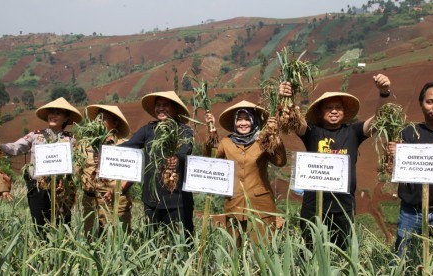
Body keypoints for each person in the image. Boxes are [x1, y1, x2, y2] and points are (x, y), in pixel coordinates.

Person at [279, 74, 391, 249]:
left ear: (344, 112)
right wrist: (286, 97)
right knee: (310, 253)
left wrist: (384, 93)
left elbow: (378, 120)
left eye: (338, 107)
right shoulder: (312, 132)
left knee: (341, 254)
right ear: (320, 112)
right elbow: (295, 121)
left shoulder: (353, 132)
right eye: (328, 107)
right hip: (313, 208)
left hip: (343, 208)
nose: (333, 110)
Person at [388, 82, 433, 254]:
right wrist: (392, 155)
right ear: (421, 104)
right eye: (430, 101)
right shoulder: (408, 133)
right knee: (403, 261)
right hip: (410, 213)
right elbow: (391, 170)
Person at [204, 100, 287, 246]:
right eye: (239, 119)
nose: (243, 123)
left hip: (261, 204)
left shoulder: (263, 141)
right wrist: (211, 132)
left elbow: (280, 161)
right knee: (233, 249)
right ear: (235, 122)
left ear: (254, 120)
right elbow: (210, 162)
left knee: (263, 249)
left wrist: (275, 137)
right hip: (234, 203)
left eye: (247, 118)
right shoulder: (226, 143)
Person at [119, 91, 194, 240]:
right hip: (152, 198)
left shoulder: (184, 130)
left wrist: (177, 158)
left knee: (179, 243)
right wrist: (104, 150)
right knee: (152, 241)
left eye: (165, 105)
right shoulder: (148, 130)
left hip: (177, 200)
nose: (161, 108)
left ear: (175, 109)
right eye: (158, 105)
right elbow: (129, 145)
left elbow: (186, 149)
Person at [0, 97, 82, 231]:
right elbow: (15, 148)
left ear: (66, 118)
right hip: (38, 188)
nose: (53, 115)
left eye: (58, 113)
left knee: (62, 226)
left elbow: (78, 163)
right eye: (51, 112)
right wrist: (0, 147)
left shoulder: (71, 140)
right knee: (40, 227)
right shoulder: (35, 136)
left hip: (61, 191)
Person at [79, 104, 133, 235]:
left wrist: (117, 190)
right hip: (90, 201)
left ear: (115, 122)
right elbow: (78, 169)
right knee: (90, 239)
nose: (99, 121)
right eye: (98, 117)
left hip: (114, 200)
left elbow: (132, 175)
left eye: (104, 118)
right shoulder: (84, 144)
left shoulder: (124, 145)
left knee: (116, 239)